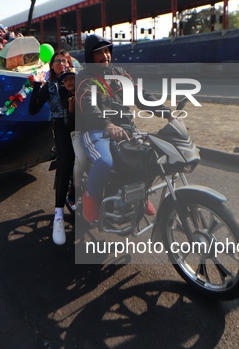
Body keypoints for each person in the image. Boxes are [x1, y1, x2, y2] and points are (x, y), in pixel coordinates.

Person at [76, 35, 172, 223]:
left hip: (125, 128)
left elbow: (140, 95)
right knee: (104, 161)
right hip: (95, 129)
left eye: (107, 51)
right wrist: (108, 125)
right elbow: (88, 105)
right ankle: (90, 197)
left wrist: (167, 113)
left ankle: (140, 197)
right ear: (90, 56)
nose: (105, 56)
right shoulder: (84, 78)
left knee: (149, 156)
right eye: (99, 53)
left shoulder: (120, 74)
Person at [28, 50, 76, 245]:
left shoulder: (76, 79)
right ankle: (58, 215)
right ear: (52, 65)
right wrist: (37, 86)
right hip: (62, 127)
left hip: (80, 123)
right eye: (57, 61)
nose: (61, 64)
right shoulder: (50, 86)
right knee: (65, 164)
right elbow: (33, 109)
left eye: (65, 61)